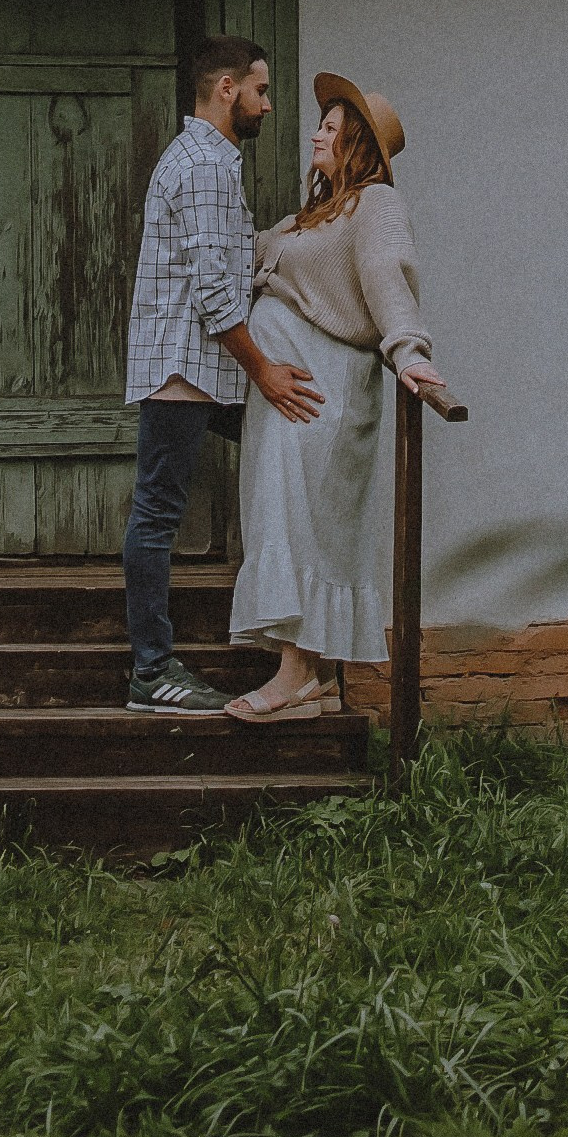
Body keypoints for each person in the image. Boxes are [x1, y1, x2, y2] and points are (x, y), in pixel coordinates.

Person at [226, 71, 452, 726]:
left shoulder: (376, 204)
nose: (316, 136)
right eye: (320, 125)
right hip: (287, 389)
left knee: (309, 524)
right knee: (280, 514)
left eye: (331, 128)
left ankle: (296, 677)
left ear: (357, 144)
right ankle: (309, 679)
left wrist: (410, 352)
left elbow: (386, 275)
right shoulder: (314, 215)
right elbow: (252, 255)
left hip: (325, 390)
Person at [121, 35, 322, 712]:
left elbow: (228, 263)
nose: (268, 105)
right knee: (156, 514)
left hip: (203, 369)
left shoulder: (201, 160)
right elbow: (214, 293)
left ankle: (299, 650)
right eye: (260, 90)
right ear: (227, 89)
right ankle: (152, 672)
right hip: (186, 368)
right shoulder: (206, 165)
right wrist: (264, 371)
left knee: (292, 447)